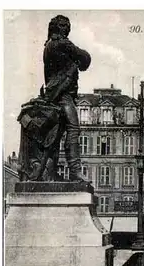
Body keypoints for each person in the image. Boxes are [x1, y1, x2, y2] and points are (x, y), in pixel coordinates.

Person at [43, 15, 91, 181]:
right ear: (55, 27)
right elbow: (85, 59)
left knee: (56, 135)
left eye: (67, 25)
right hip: (62, 95)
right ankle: (75, 171)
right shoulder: (62, 43)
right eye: (62, 25)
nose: (66, 28)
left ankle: (49, 171)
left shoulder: (50, 44)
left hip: (55, 94)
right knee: (73, 129)